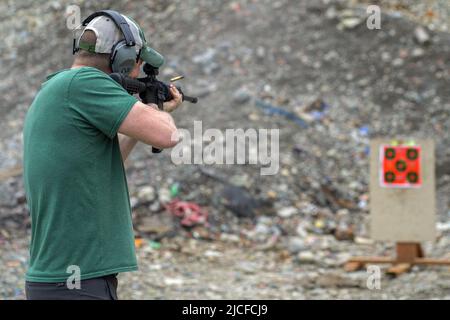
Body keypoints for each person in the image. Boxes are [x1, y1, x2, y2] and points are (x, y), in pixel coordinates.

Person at [22, 10, 182, 300]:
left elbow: (100, 166)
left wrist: (142, 115)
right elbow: (167, 135)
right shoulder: (85, 83)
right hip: (77, 282)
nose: (137, 71)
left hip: (64, 279)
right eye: (138, 64)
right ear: (122, 58)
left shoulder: (60, 88)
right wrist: (154, 111)